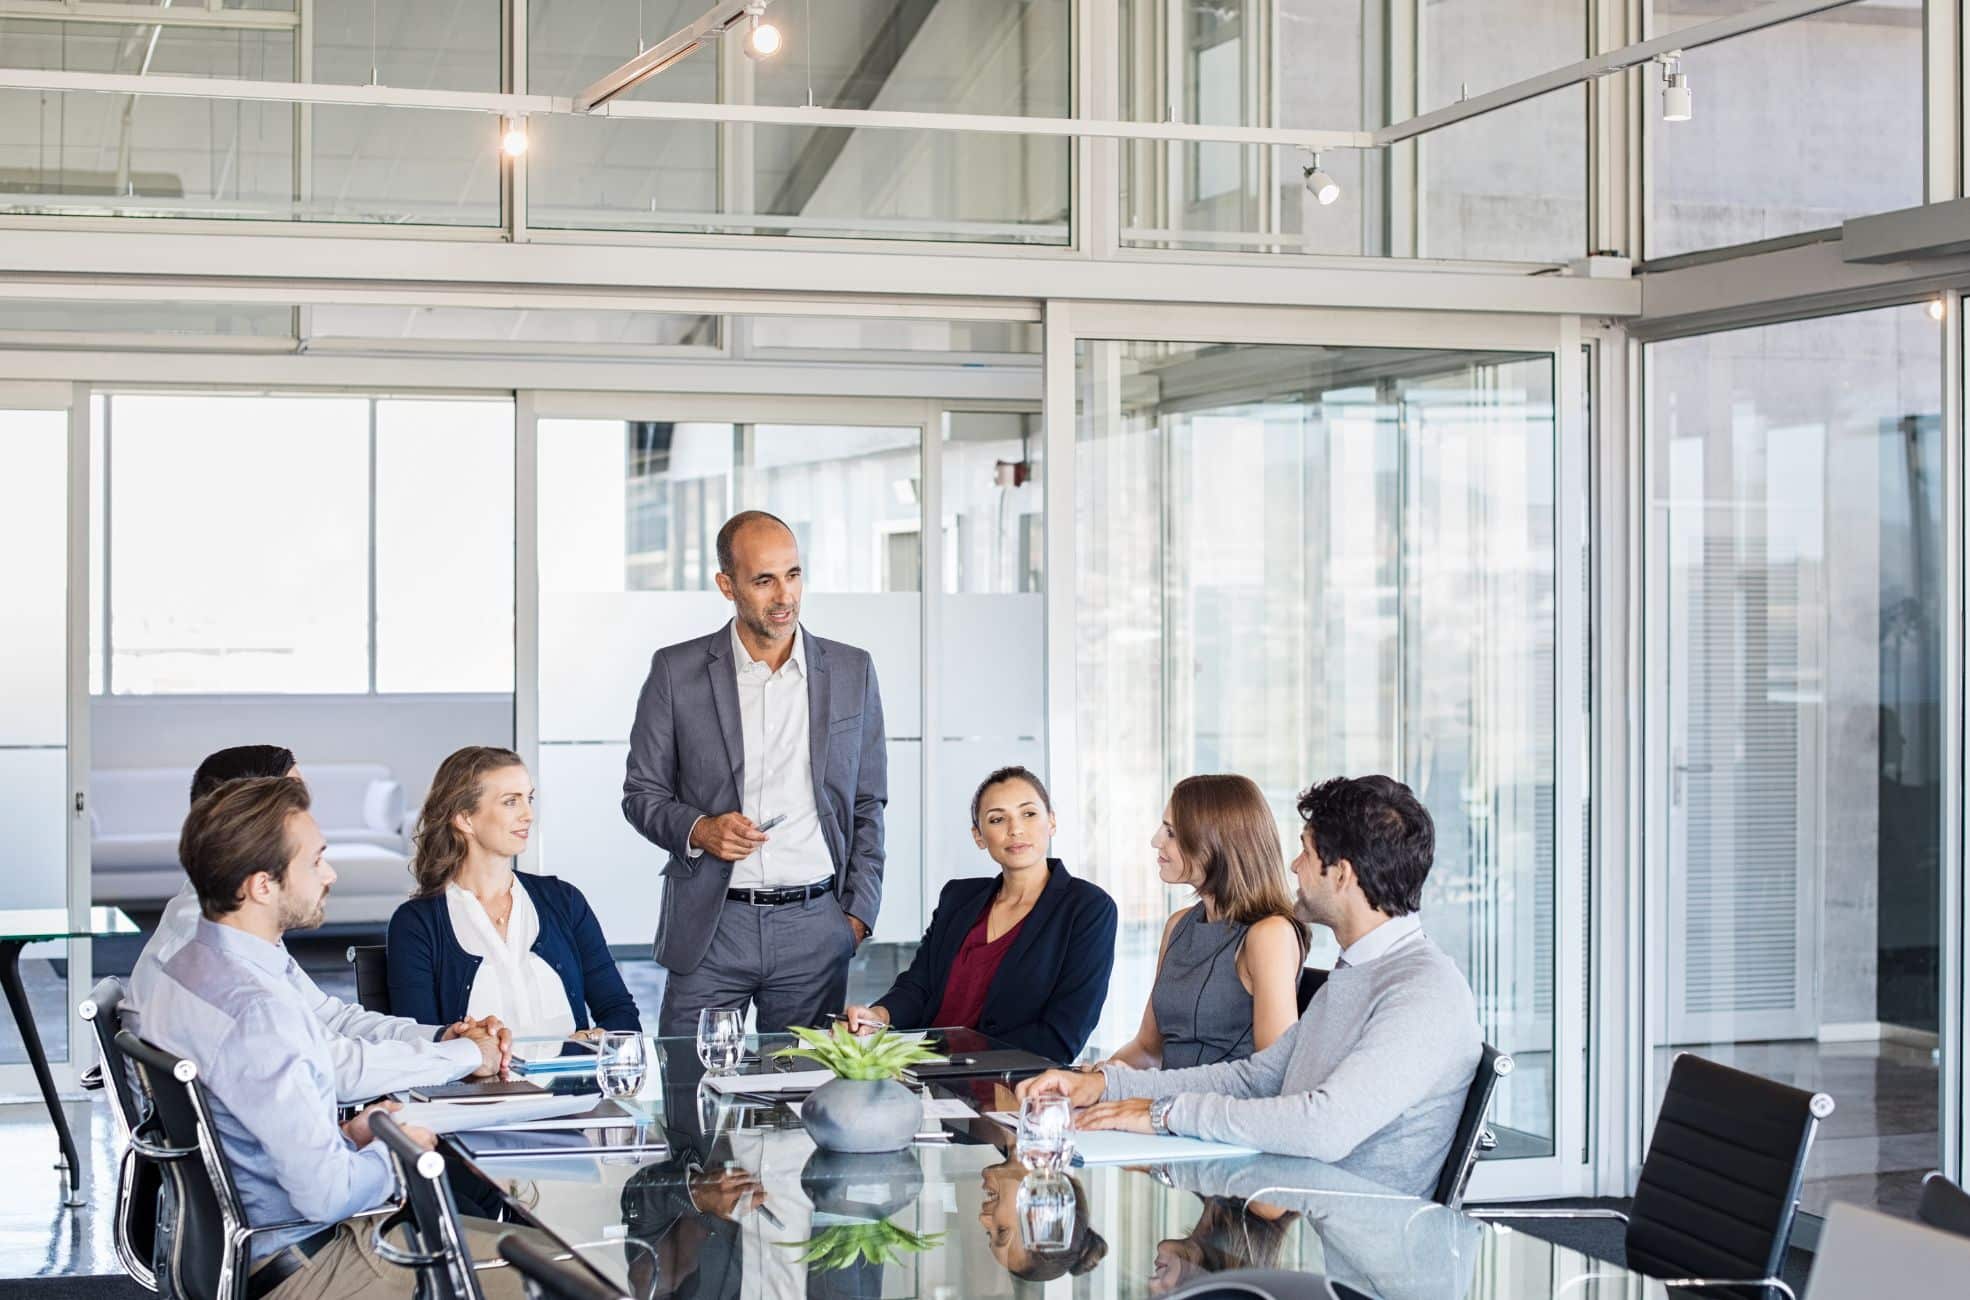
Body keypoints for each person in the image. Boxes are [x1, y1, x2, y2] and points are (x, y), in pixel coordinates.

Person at [136, 777, 532, 1300]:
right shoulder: (260, 1012)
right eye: (316, 861)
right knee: (562, 1269)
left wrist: (353, 1135)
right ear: (262, 886)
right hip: (313, 1265)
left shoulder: (190, 966)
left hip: (243, 1251)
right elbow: (326, 1195)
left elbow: (260, 1125)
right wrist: (399, 1153)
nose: (330, 874)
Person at [1017, 775, 1483, 1198]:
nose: (1293, 866)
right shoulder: (1357, 971)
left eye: (1305, 853)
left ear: (1341, 874)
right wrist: (1106, 1085)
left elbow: (1324, 1126)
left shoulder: (1424, 991)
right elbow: (1256, 1077)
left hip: (1358, 1244)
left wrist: (1163, 1114)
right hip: (1304, 1207)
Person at [623, 509, 888, 1038]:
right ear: (727, 585)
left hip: (815, 927)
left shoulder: (851, 669)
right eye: (764, 580)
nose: (784, 595)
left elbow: (867, 802)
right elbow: (641, 793)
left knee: (801, 1084)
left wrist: (857, 915)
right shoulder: (676, 671)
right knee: (688, 1078)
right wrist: (701, 829)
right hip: (712, 925)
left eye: (793, 574)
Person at [124, 745, 506, 1099]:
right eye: (293, 800)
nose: (308, 816)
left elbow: (328, 1018)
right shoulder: (211, 951)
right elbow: (328, 1068)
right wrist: (465, 1055)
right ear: (248, 819)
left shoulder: (231, 925)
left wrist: (442, 1037)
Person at [842, 766, 1116, 1060]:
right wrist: (878, 1016)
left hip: (1008, 1079)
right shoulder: (958, 898)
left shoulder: (1088, 908)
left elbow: (1061, 1035)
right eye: (997, 819)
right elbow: (919, 986)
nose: (1015, 829)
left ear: (1051, 821)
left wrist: (954, 1062)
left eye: (1029, 813)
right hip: (919, 1069)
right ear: (979, 836)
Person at [387, 747, 641, 1040]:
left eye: (528, 799)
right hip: (478, 1074)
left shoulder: (564, 901)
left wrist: (585, 1042)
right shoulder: (416, 923)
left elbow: (622, 1016)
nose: (528, 815)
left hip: (574, 1072)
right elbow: (419, 1043)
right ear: (465, 818)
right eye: (511, 802)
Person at [1105, 775, 1308, 1069]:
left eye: (1171, 832)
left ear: (1217, 843)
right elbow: (1148, 1051)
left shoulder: (1270, 934)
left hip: (1215, 1099)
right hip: (1162, 1094)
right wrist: (1093, 1077)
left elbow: (1271, 1073)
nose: (1156, 841)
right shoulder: (1179, 926)